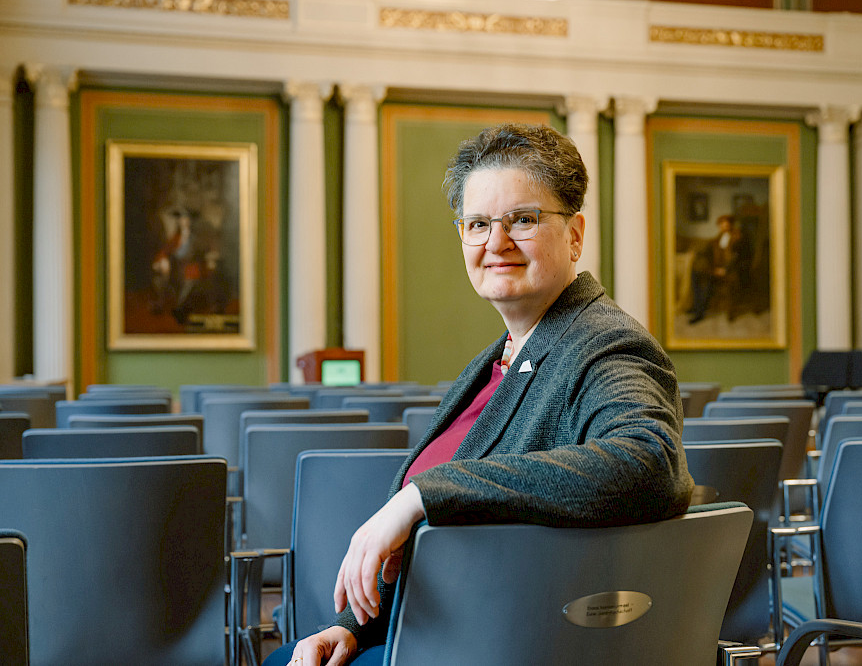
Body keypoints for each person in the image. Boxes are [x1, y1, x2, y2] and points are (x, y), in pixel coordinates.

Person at [269, 123, 693, 666]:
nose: (496, 243)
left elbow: (650, 463)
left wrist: (424, 493)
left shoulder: (606, 343)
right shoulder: (495, 359)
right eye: (477, 224)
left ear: (575, 235)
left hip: (508, 645)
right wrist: (352, 629)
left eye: (523, 219)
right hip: (429, 632)